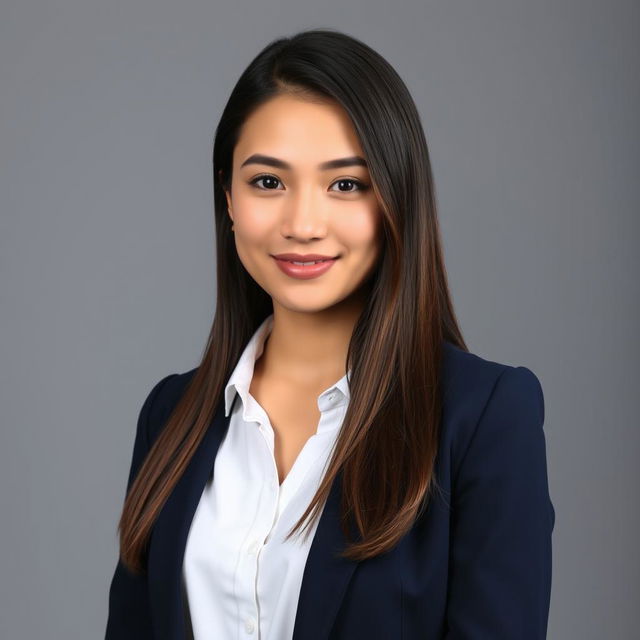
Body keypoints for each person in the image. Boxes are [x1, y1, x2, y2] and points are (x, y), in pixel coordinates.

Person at [105, 28, 555, 640]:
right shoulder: (171, 416)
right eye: (268, 181)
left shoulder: (484, 418)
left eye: (346, 184)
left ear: (394, 199)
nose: (303, 224)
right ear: (228, 196)